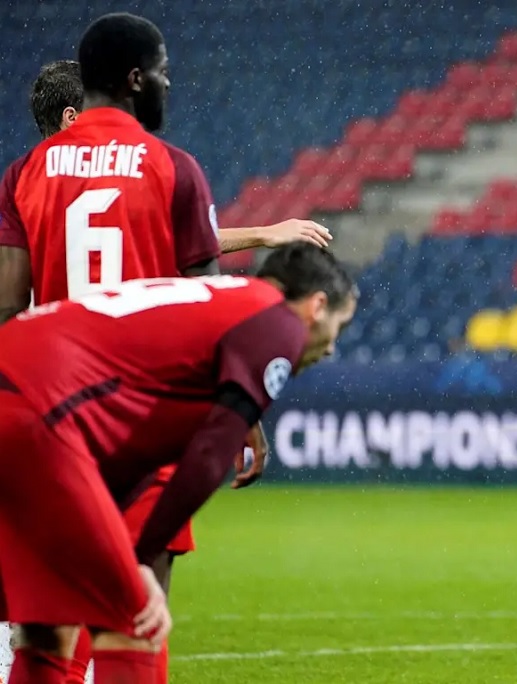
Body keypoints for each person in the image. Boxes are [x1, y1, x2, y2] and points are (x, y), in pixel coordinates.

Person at [0, 16, 325, 684]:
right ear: (135, 77)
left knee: (46, 634)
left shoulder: (24, 173)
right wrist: (245, 418)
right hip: (141, 419)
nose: (169, 83)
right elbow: (208, 320)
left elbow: (6, 307)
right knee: (138, 612)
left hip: (48, 413)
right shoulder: (172, 167)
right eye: (164, 70)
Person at [0, 241, 357, 684]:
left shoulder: (214, 305)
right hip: (37, 413)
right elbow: (209, 456)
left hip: (19, 395)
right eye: (339, 327)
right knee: (135, 618)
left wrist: (123, 552)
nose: (329, 349)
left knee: (47, 632)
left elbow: (127, 458)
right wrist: (139, 562)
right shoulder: (277, 321)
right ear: (317, 306)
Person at [26, 59, 333, 255]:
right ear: (73, 117)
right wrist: (263, 234)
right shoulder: (103, 185)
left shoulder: (22, 193)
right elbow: (180, 241)